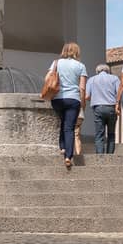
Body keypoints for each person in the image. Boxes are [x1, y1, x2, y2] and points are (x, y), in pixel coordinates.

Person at [45, 42, 87, 170]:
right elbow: (82, 87)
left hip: (57, 99)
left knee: (63, 123)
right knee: (69, 127)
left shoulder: (56, 63)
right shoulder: (81, 66)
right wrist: (82, 103)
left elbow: (47, 78)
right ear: (76, 52)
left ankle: (63, 147)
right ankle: (68, 156)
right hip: (73, 99)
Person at [85, 63, 119, 155]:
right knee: (111, 134)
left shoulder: (92, 80)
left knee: (99, 134)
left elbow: (87, 96)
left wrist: (95, 98)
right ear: (108, 71)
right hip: (111, 107)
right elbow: (119, 93)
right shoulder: (114, 78)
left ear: (97, 71)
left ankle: (100, 156)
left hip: (98, 108)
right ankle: (110, 156)